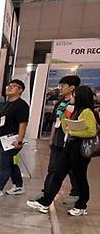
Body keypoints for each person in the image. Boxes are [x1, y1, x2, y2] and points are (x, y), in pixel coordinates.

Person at [28, 85, 98, 216]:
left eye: (74, 95)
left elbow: (91, 131)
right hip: (69, 147)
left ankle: (82, 205)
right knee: (57, 174)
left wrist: (74, 132)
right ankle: (45, 202)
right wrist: (64, 117)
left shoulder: (87, 112)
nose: (71, 97)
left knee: (80, 178)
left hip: (80, 149)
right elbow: (66, 129)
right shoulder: (74, 110)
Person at [33, 75, 80, 204]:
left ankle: (76, 193)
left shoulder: (78, 103)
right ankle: (46, 192)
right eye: (59, 85)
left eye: (62, 86)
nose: (60, 88)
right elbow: (55, 121)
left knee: (73, 169)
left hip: (72, 141)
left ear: (72, 87)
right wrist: (51, 138)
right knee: (53, 168)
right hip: (58, 140)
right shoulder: (60, 103)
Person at [0, 79, 29, 196]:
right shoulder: (8, 103)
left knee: (4, 165)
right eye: (9, 85)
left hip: (12, 140)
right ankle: (18, 186)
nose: (9, 88)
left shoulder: (22, 105)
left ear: (20, 90)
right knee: (11, 163)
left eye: (14, 86)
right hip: (2, 139)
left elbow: (23, 124)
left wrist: (19, 140)